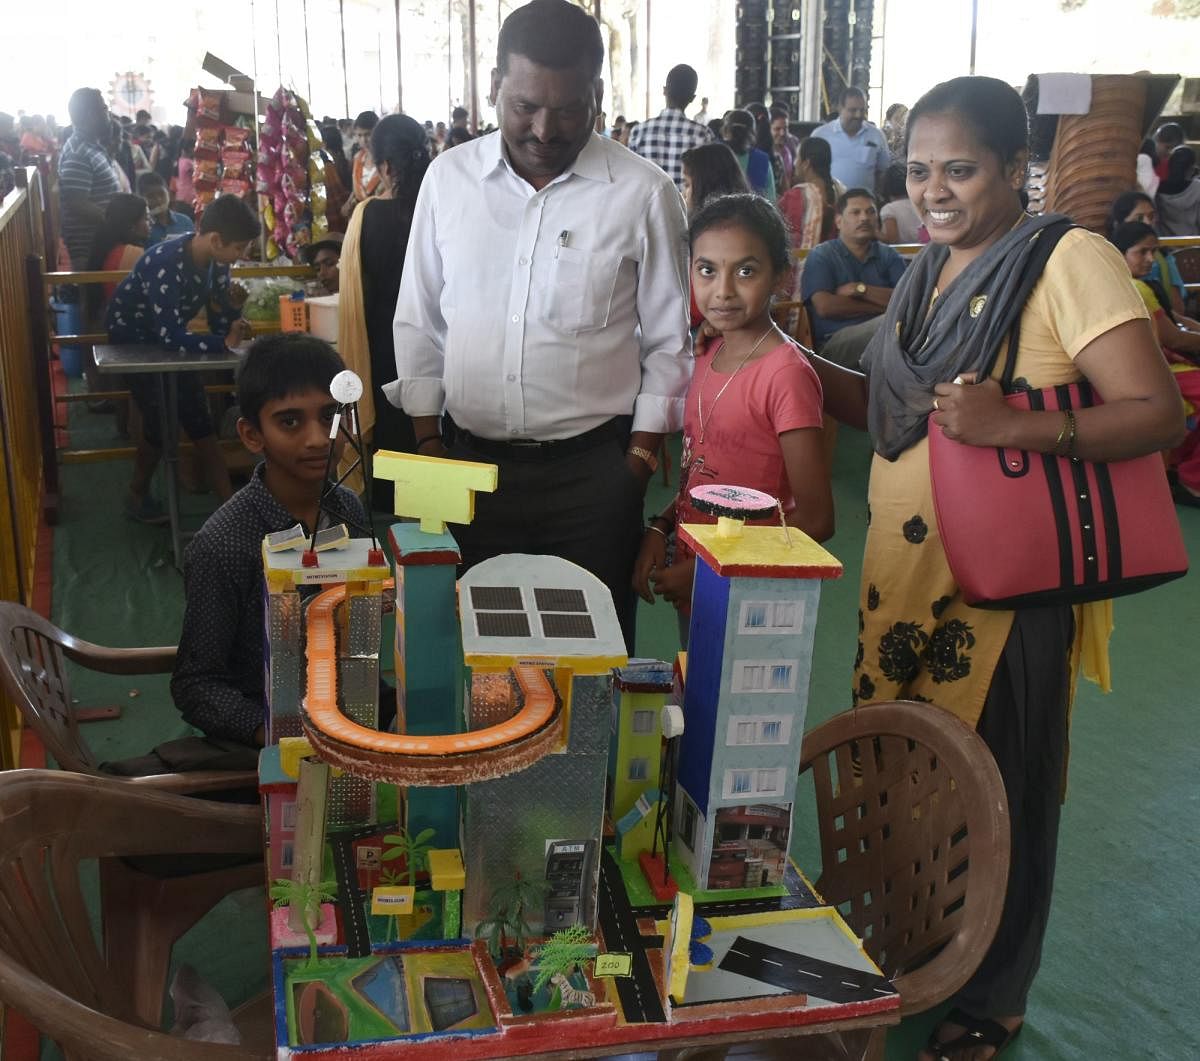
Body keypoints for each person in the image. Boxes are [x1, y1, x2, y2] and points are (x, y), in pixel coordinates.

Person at [809, 76, 1181, 1061]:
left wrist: (1020, 424)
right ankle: (923, 941)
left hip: (1005, 595)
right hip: (902, 581)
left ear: (1015, 169)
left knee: (1003, 789)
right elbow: (891, 411)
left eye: (960, 169)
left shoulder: (1070, 260)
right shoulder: (928, 271)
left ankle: (996, 995)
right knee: (909, 772)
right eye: (920, 170)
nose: (934, 190)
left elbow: (1157, 411)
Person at [390, 0, 692, 647]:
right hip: (464, 465)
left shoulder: (641, 192)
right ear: (495, 82)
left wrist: (634, 465)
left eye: (568, 108)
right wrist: (429, 447)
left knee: (593, 661)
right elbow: (419, 320)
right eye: (525, 105)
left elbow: (669, 341)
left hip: (592, 476)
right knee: (469, 656)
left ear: (598, 94)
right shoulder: (449, 181)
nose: (545, 128)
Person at [633, 193, 833, 636]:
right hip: (696, 580)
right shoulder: (707, 352)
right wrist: (659, 527)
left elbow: (816, 520)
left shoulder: (785, 375)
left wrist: (707, 567)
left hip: (752, 597)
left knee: (741, 701)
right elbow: (704, 471)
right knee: (694, 694)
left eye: (746, 271)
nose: (722, 290)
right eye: (707, 269)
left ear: (782, 276)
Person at [171, 334, 366, 749]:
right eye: (290, 421)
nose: (317, 438)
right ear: (251, 434)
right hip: (268, 745)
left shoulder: (348, 508)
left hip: (350, 721)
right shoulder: (223, 544)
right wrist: (278, 734)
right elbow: (196, 684)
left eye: (330, 416)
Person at [106, 195, 260, 521]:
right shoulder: (166, 262)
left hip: (171, 343)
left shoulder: (218, 263)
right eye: (239, 248)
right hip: (132, 341)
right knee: (162, 424)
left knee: (199, 419)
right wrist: (223, 341)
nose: (241, 256)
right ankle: (137, 493)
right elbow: (170, 336)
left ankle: (230, 508)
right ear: (217, 239)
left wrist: (232, 316)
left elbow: (217, 321)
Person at [339, 115, 431, 511]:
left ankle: (392, 498)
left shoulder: (369, 216)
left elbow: (355, 291)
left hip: (382, 344)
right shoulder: (442, 211)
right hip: (440, 345)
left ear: (387, 167)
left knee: (393, 421)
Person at [800, 188, 906, 367]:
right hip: (835, 343)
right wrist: (884, 308)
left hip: (883, 337)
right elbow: (825, 307)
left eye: (870, 211)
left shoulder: (889, 255)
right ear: (839, 221)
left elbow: (906, 300)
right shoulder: (822, 255)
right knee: (895, 325)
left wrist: (860, 289)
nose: (864, 218)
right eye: (856, 212)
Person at [58, 87, 120, 269]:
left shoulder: (91, 147)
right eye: (104, 109)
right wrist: (116, 222)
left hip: (100, 243)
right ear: (92, 114)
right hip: (90, 247)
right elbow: (77, 203)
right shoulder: (79, 151)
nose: (108, 115)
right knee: (94, 296)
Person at [628, 63, 716, 192]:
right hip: (688, 211)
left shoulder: (638, 132)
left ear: (664, 90)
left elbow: (632, 179)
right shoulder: (703, 135)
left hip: (648, 210)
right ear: (692, 98)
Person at [1107, 191, 1187, 314]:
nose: (1148, 222)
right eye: (1139, 218)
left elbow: (1177, 309)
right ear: (1119, 223)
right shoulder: (1105, 258)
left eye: (1151, 216)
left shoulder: (1163, 258)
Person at [813, 86, 889, 196]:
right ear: (840, 108)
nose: (858, 115)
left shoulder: (876, 135)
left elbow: (883, 171)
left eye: (862, 110)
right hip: (830, 204)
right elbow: (810, 171)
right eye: (853, 110)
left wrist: (875, 196)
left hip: (864, 205)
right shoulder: (821, 135)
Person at [777, 136, 838, 251]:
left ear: (806, 163)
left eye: (797, 158)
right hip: (832, 264)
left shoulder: (796, 196)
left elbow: (786, 242)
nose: (795, 163)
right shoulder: (839, 191)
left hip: (804, 263)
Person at [722, 109, 775, 198]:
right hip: (755, 211)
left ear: (725, 130)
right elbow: (771, 201)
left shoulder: (714, 157)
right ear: (753, 133)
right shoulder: (762, 161)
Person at [1155, 146, 1200, 238]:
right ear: (1191, 168)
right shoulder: (1197, 187)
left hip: (1166, 244)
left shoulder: (1157, 189)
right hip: (1193, 242)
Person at [137, 172, 194, 245]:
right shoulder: (142, 228)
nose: (158, 200)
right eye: (151, 196)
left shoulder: (185, 222)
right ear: (141, 199)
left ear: (168, 193)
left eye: (162, 194)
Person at [344, 110, 381, 218]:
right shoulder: (358, 158)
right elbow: (357, 187)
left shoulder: (386, 161)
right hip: (359, 216)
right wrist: (348, 202)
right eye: (359, 135)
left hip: (379, 215)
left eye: (368, 134)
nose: (363, 140)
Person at [878, 161, 923, 244]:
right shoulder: (920, 204)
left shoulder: (889, 209)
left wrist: (874, 232)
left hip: (902, 254)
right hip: (924, 252)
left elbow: (892, 239)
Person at [318, 125, 351, 234]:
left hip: (336, 215)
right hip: (349, 212)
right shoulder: (345, 160)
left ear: (324, 143)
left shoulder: (326, 165)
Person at [770, 105, 799, 191]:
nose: (782, 133)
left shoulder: (790, 149)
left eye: (785, 128)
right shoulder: (763, 154)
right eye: (777, 129)